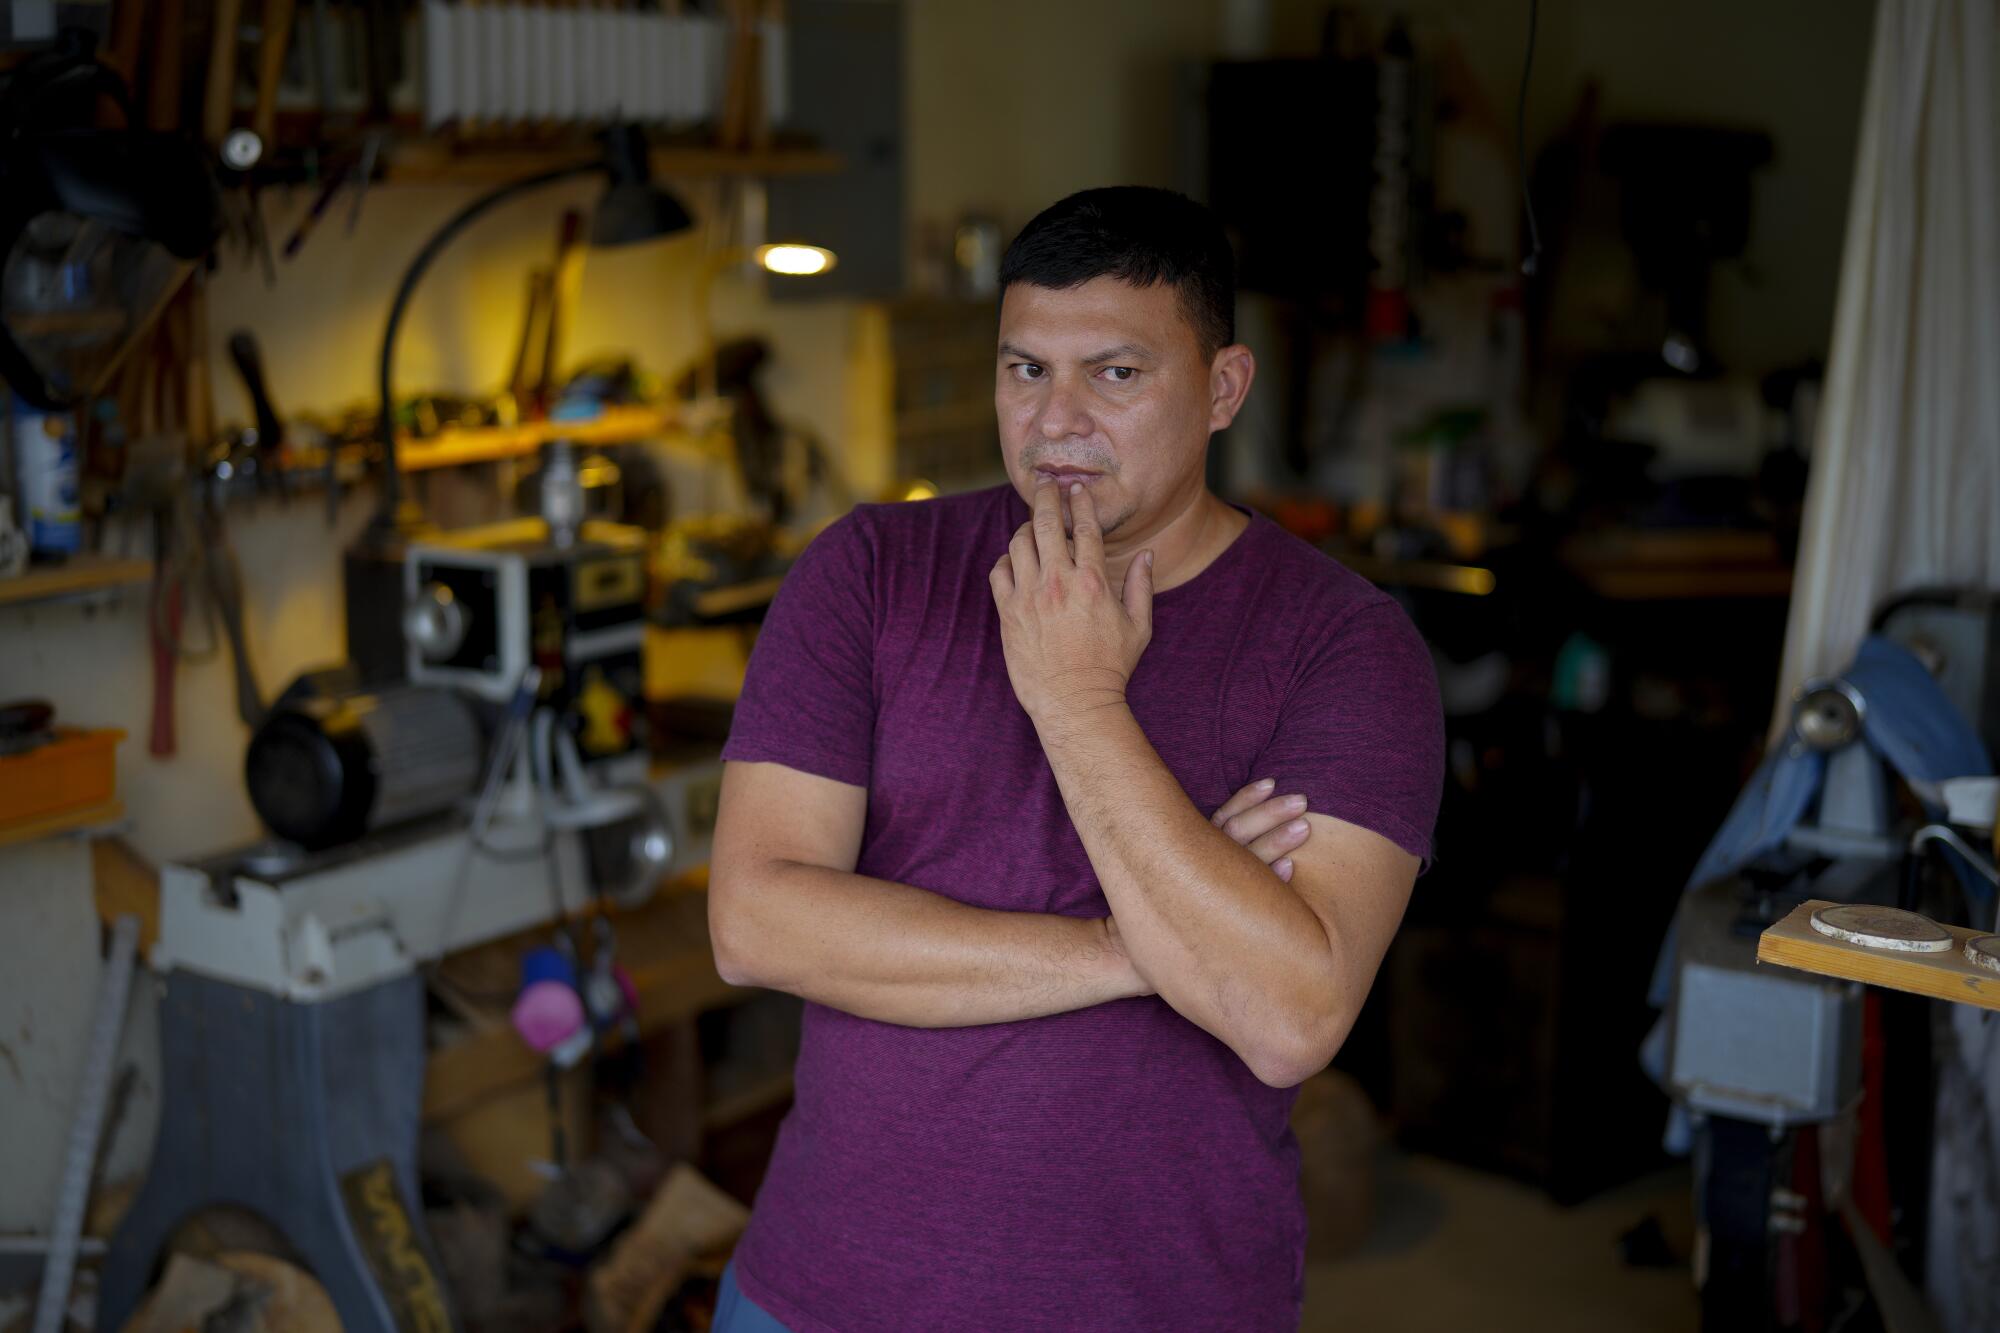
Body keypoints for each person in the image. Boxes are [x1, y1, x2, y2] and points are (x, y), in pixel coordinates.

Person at [707, 185, 1444, 1332]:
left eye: (1113, 373)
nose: (1054, 423)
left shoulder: (1342, 646)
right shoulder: (868, 572)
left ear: (1222, 388)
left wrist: (1078, 701)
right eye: (1023, 370)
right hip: (821, 1297)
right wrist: (1135, 946)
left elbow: (1289, 1015)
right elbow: (756, 924)